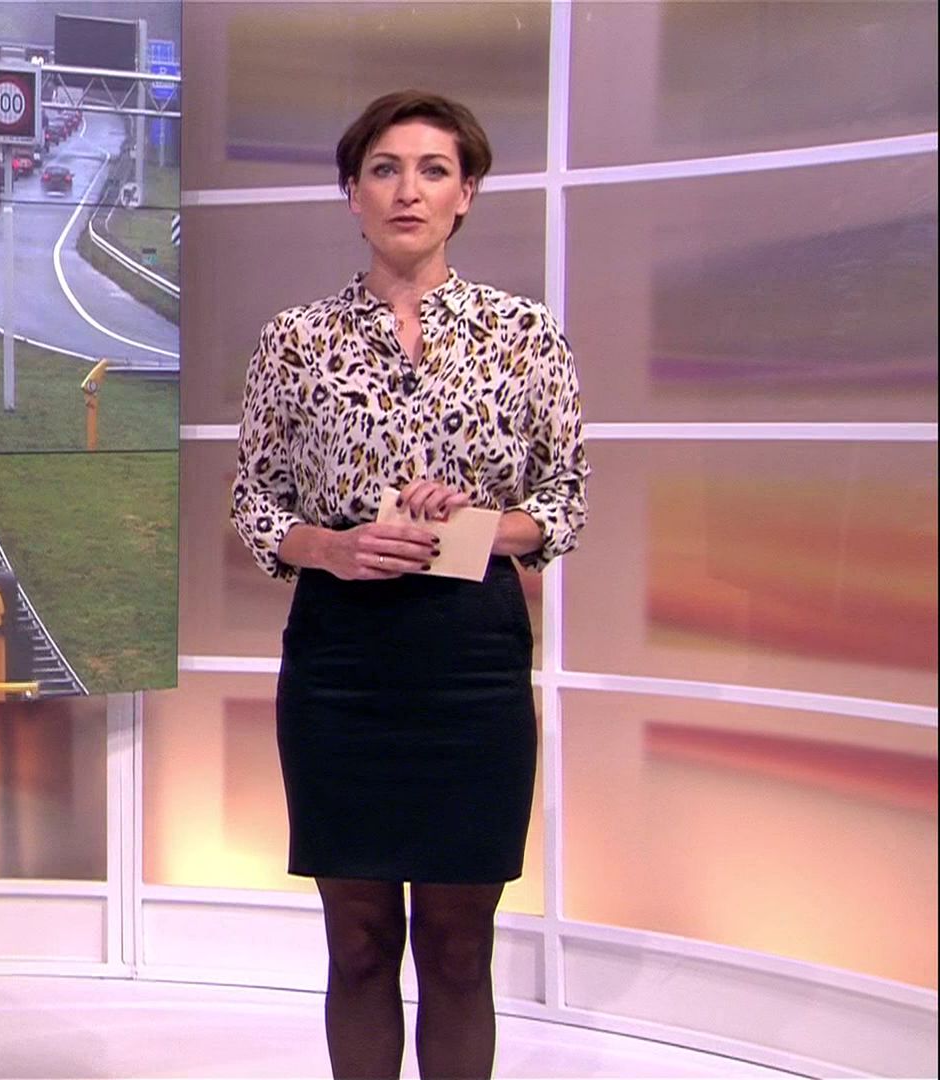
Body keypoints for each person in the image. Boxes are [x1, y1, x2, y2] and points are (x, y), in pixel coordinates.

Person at [230, 90, 589, 1079]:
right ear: (352, 193)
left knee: (459, 946)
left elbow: (563, 501)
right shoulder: (296, 339)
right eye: (385, 169)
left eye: (434, 170)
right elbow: (254, 500)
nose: (408, 190)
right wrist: (331, 548)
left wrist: (473, 527)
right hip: (341, 661)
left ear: (466, 193)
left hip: (471, 659)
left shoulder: (525, 335)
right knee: (357, 942)